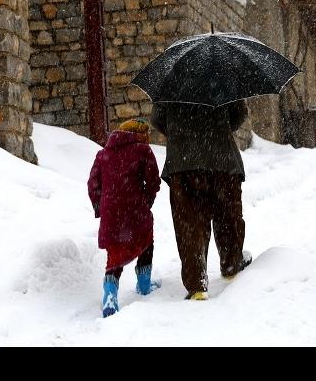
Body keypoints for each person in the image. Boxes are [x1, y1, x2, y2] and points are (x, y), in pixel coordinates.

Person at [151, 101, 252, 300]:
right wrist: (217, 127)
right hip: (222, 159)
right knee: (227, 214)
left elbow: (157, 120)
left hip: (184, 163)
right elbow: (239, 114)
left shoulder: (171, 80)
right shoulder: (223, 75)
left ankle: (197, 285)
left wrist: (181, 133)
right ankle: (231, 264)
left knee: (190, 223)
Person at [87, 118, 161, 318]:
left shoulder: (103, 155)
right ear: (141, 133)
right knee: (146, 242)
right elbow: (154, 180)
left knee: (114, 256)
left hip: (112, 214)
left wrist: (101, 207)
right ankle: (144, 285)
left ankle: (110, 296)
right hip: (136, 209)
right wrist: (146, 200)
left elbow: (93, 185)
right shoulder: (143, 150)